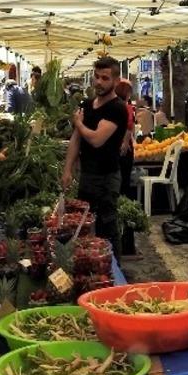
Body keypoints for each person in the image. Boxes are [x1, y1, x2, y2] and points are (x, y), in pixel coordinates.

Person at [63, 57, 128, 245]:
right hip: (88, 175)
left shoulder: (117, 108)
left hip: (107, 178)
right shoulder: (87, 104)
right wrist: (67, 169)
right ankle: (90, 267)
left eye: (105, 78)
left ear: (116, 81)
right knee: (83, 223)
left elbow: (96, 139)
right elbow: (76, 138)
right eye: (97, 76)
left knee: (106, 226)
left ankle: (113, 270)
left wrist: (78, 123)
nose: (99, 82)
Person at [115, 79, 137, 199]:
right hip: (124, 147)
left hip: (113, 146)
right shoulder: (128, 108)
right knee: (124, 179)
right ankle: (123, 202)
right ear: (127, 93)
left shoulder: (112, 106)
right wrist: (125, 141)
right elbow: (129, 126)